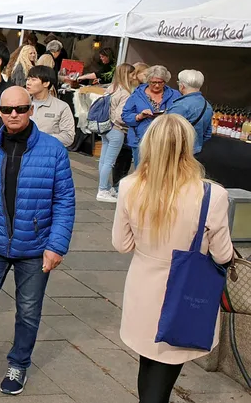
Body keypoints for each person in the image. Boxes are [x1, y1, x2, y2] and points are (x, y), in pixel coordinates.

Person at [0, 86, 75, 396]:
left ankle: (19, 363)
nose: (13, 115)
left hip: (35, 247)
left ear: (31, 110)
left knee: (29, 310)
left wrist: (56, 245)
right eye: (7, 110)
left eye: (20, 109)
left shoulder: (53, 150)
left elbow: (64, 201)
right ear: (0, 112)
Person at [113, 113, 234, 403]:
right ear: (188, 147)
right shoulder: (211, 194)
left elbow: (121, 243)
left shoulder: (130, 186)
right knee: (165, 371)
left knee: (148, 363)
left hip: (143, 290)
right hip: (184, 293)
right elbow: (223, 254)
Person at [121, 65, 182, 166]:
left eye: (160, 82)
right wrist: (139, 116)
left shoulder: (175, 95)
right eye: (153, 82)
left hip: (166, 140)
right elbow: (125, 116)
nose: (157, 86)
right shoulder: (137, 94)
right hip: (141, 140)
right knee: (141, 173)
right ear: (148, 80)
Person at [97, 63, 136, 203]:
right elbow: (121, 115)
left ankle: (105, 187)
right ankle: (103, 189)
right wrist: (131, 121)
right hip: (117, 129)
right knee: (109, 162)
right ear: (127, 75)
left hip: (105, 127)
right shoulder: (125, 93)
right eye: (132, 74)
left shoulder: (111, 88)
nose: (134, 77)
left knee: (103, 160)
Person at [26, 65, 75, 147]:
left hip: (48, 153)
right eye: (28, 79)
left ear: (46, 83)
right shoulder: (22, 104)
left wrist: (41, 139)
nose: (28, 83)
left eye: (33, 79)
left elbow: (68, 137)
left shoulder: (61, 107)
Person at [167, 69, 213, 155]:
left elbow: (166, 132)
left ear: (182, 86)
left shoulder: (180, 106)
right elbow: (207, 134)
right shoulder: (207, 105)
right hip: (195, 151)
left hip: (176, 152)